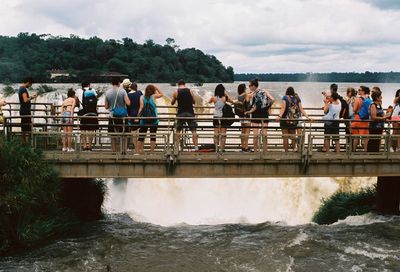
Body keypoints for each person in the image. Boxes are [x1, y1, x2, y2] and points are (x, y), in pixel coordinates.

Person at [276, 87, 310, 152]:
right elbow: (301, 109)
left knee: (285, 136)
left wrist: (279, 116)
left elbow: (283, 107)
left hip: (284, 120)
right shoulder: (297, 98)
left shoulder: (285, 97)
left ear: (287, 91)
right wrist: (307, 117)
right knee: (293, 135)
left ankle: (286, 151)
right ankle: (294, 149)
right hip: (294, 120)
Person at [244, 78, 274, 152]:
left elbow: (255, 107)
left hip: (256, 115)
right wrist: (267, 107)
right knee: (264, 134)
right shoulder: (264, 91)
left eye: (250, 85)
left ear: (253, 86)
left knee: (255, 135)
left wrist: (249, 112)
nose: (249, 87)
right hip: (264, 114)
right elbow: (273, 99)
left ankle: (256, 151)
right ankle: (265, 151)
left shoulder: (254, 93)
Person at [171, 80, 198, 151]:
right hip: (190, 113)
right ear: (184, 84)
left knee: (177, 131)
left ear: (178, 84)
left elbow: (172, 103)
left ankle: (177, 147)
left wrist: (175, 99)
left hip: (181, 113)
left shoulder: (176, 92)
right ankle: (196, 148)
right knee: (194, 131)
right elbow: (194, 102)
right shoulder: (190, 91)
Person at [105, 78, 131, 152]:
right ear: (119, 83)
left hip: (112, 116)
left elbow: (106, 106)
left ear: (112, 83)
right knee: (124, 134)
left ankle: (114, 151)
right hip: (122, 116)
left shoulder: (107, 92)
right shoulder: (123, 91)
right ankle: (123, 150)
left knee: (112, 134)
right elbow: (128, 103)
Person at [137, 84, 164, 153]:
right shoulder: (153, 96)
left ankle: (139, 151)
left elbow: (141, 108)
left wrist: (137, 117)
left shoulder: (141, 97)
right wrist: (156, 87)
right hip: (154, 120)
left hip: (144, 119)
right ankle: (152, 151)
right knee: (153, 135)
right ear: (153, 90)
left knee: (141, 136)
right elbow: (162, 94)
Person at [208, 84, 233, 152]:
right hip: (223, 117)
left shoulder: (214, 98)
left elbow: (208, 101)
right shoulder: (225, 98)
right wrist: (225, 93)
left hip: (216, 116)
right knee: (223, 134)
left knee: (215, 133)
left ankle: (216, 148)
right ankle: (222, 149)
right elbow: (232, 101)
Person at [77, 82, 99, 151]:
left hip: (84, 112)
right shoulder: (92, 90)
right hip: (93, 112)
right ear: (89, 85)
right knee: (91, 129)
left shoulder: (78, 91)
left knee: (83, 128)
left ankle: (84, 145)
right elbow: (96, 99)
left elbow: (77, 101)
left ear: (82, 85)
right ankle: (89, 145)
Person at [351, 86, 371, 151]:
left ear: (363, 91)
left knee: (356, 136)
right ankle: (365, 150)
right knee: (365, 137)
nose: (358, 91)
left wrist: (353, 105)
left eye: (359, 90)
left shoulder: (358, 99)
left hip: (357, 118)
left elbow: (354, 110)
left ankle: (354, 150)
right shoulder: (368, 99)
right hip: (365, 120)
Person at [18, 77, 36, 144]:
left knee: (24, 126)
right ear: (28, 82)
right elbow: (25, 100)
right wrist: (32, 97)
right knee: (26, 126)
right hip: (25, 110)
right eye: (31, 84)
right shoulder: (23, 89)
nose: (30, 86)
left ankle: (25, 142)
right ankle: (26, 142)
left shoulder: (21, 88)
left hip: (23, 110)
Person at [127, 82, 143, 153]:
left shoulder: (128, 95)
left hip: (131, 114)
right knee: (140, 131)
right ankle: (140, 149)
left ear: (130, 88)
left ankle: (136, 148)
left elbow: (127, 106)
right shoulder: (139, 93)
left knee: (133, 132)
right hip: (140, 114)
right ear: (136, 87)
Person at [236, 83, 252, 152]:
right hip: (247, 115)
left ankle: (242, 146)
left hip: (241, 116)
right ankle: (246, 147)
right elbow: (249, 99)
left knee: (243, 131)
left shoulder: (239, 96)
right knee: (247, 132)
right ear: (244, 89)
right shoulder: (246, 95)